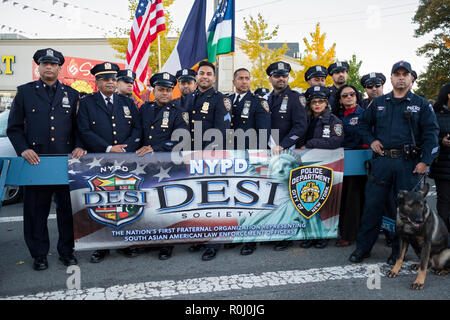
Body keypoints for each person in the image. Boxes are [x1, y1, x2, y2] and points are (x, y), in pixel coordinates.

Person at [349, 60, 439, 264]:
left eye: (404, 74)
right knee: (372, 207)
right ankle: (363, 248)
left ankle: (398, 252)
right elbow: (363, 125)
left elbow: (431, 135)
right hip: (382, 162)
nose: (400, 77)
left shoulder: (421, 104)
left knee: (406, 212)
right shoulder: (379, 103)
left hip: (409, 165)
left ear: (411, 78)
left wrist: (426, 161)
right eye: (396, 74)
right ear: (390, 78)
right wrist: (371, 141)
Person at [7, 48, 86, 271]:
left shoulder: (72, 94)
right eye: (45, 64)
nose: (49, 67)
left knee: (66, 211)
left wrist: (79, 145)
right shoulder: (25, 92)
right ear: (38, 67)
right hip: (37, 163)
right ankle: (39, 254)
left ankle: (67, 251)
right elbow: (14, 128)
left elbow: (77, 127)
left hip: (64, 162)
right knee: (35, 211)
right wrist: (23, 149)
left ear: (60, 68)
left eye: (53, 64)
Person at [77, 61, 142, 263]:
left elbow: (137, 129)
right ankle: (101, 246)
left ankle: (125, 243)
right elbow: (84, 130)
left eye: (113, 79)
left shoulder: (127, 102)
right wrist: (108, 148)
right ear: (97, 82)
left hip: (125, 161)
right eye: (106, 79)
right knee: (102, 205)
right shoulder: (87, 103)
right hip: (100, 161)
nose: (110, 82)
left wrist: (126, 148)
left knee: (124, 202)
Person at [137, 72, 189, 260]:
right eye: (161, 89)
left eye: (168, 90)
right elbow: (139, 132)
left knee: (166, 204)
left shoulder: (178, 112)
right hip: (146, 165)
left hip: (167, 164)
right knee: (149, 203)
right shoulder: (144, 108)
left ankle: (167, 244)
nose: (165, 93)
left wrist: (154, 147)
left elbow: (181, 139)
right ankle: (151, 240)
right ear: (154, 90)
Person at [184, 60, 232, 261]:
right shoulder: (189, 98)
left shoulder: (220, 99)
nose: (204, 76)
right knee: (197, 201)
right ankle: (199, 237)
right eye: (201, 73)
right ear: (196, 76)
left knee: (212, 201)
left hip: (211, 158)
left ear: (214, 78)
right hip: (190, 156)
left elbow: (223, 131)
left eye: (208, 74)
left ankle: (214, 243)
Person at [227, 68, 271, 255]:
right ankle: (237, 235)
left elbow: (263, 133)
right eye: (240, 78)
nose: (244, 82)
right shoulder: (227, 101)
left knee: (250, 199)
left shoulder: (258, 102)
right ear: (234, 81)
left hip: (250, 158)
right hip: (230, 156)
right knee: (233, 197)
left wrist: (256, 161)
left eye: (247, 78)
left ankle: (251, 239)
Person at [266, 61, 308, 251]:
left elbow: (301, 126)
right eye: (277, 75)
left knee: (286, 195)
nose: (281, 78)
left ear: (288, 77)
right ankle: (269, 230)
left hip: (286, 153)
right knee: (269, 195)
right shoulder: (265, 98)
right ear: (270, 78)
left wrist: (284, 145)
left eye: (284, 75)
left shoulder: (295, 98)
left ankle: (285, 235)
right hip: (266, 153)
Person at [298, 85, 344, 249]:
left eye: (321, 101)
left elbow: (335, 142)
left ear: (326, 103)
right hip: (306, 166)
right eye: (314, 102)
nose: (317, 104)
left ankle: (323, 236)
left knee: (323, 203)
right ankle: (310, 235)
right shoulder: (306, 119)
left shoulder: (334, 121)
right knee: (307, 201)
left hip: (326, 167)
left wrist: (310, 144)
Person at [333, 85, 367, 247]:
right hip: (340, 162)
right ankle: (344, 230)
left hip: (357, 162)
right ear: (340, 99)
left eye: (351, 94)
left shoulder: (364, 114)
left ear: (356, 96)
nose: (348, 97)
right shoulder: (337, 116)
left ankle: (350, 234)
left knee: (353, 199)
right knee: (342, 198)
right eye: (344, 95)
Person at [429, 83, 450, 233]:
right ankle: (442, 234)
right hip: (443, 165)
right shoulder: (435, 115)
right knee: (444, 201)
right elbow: (429, 137)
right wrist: (442, 141)